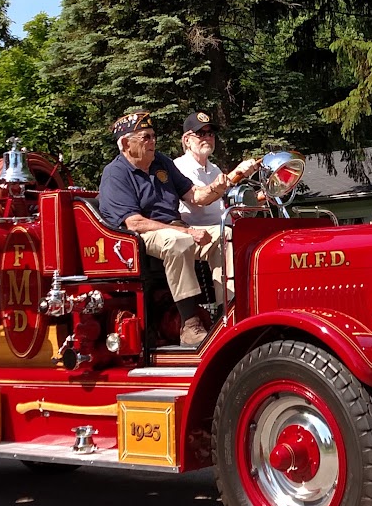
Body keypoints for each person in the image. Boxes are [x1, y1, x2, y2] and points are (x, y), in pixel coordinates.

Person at [98, 111, 258, 347]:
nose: (153, 142)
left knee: (227, 236)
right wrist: (186, 232)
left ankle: (229, 314)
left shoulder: (161, 162)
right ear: (125, 143)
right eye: (145, 137)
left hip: (176, 229)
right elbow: (134, 223)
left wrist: (221, 184)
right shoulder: (115, 174)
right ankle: (190, 325)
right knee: (177, 242)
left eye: (153, 136)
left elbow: (195, 196)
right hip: (140, 237)